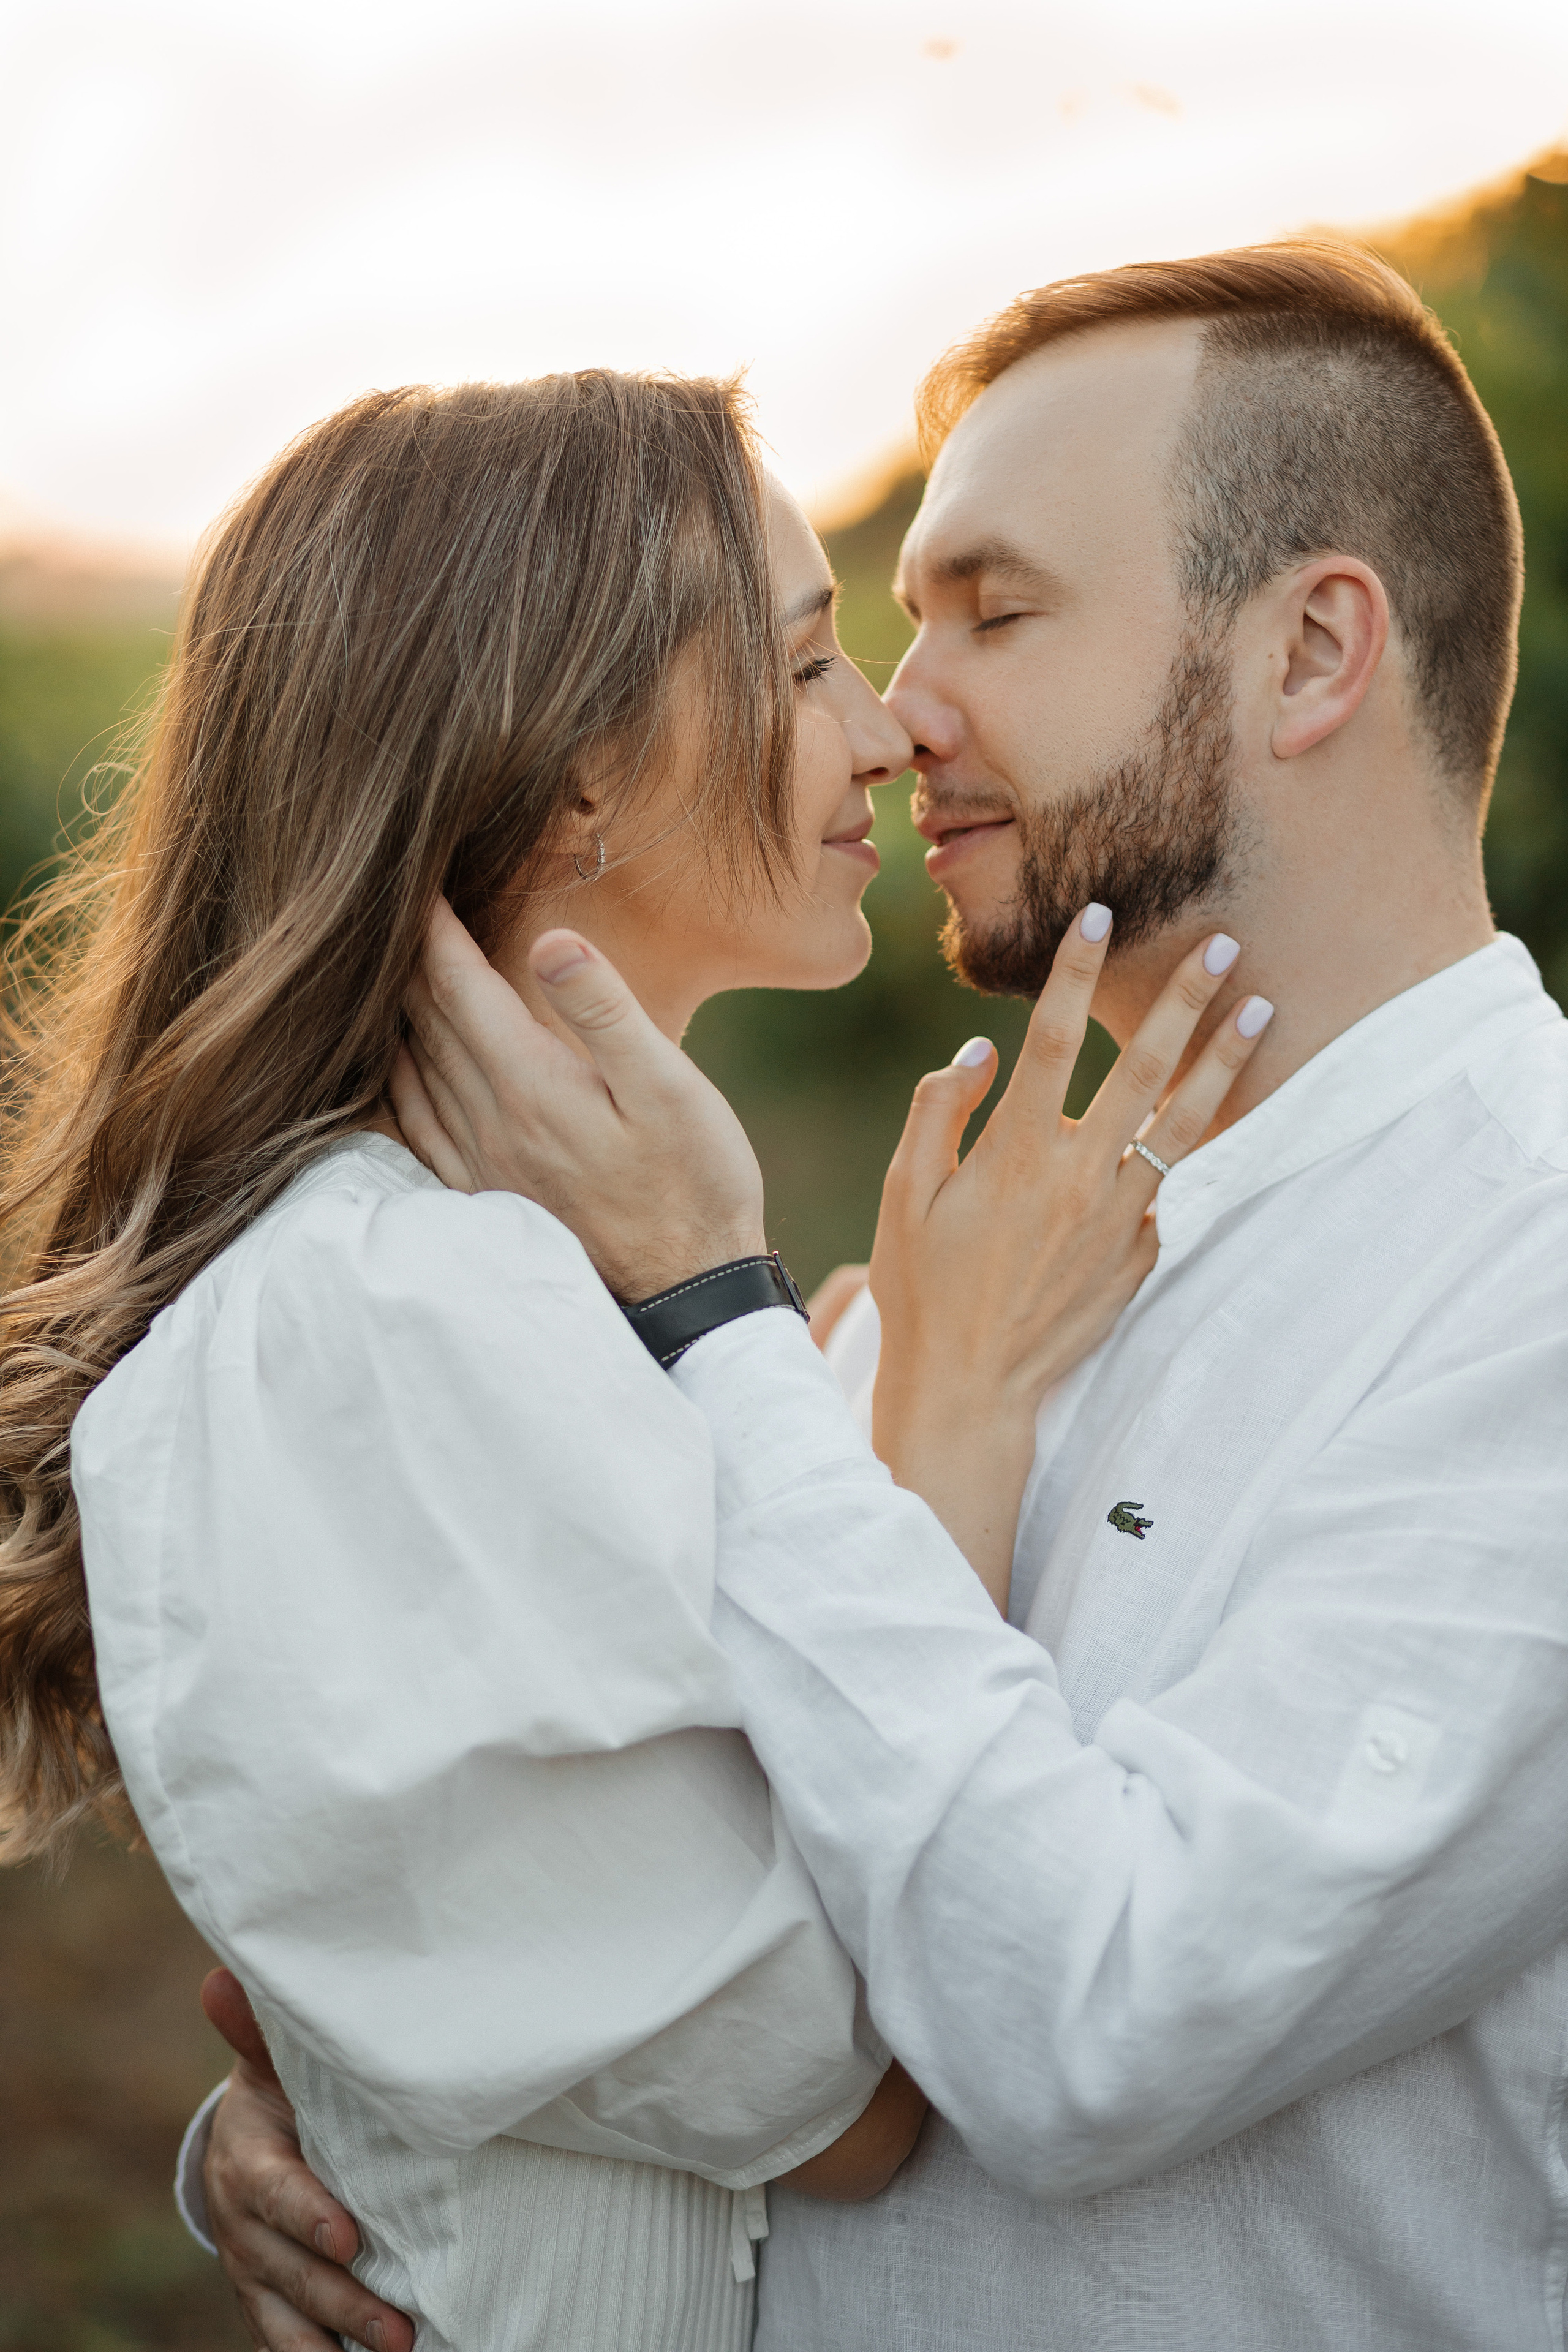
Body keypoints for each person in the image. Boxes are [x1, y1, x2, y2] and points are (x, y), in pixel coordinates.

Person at [210, 240, 1568, 2352]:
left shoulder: (1530, 1274)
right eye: (892, 622)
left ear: (1313, 653)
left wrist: (722, 1320)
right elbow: (680, 1921)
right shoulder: (953, 1277)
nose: (894, 712)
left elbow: (1095, 2026)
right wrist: (391, 2116)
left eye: (996, 615)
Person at [0, 372, 1254, 2351]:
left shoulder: (521, 1289)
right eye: (809, 657)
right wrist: (950, 1406)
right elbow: (854, 2100)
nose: (887, 724)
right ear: (574, 776)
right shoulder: (383, 1313)